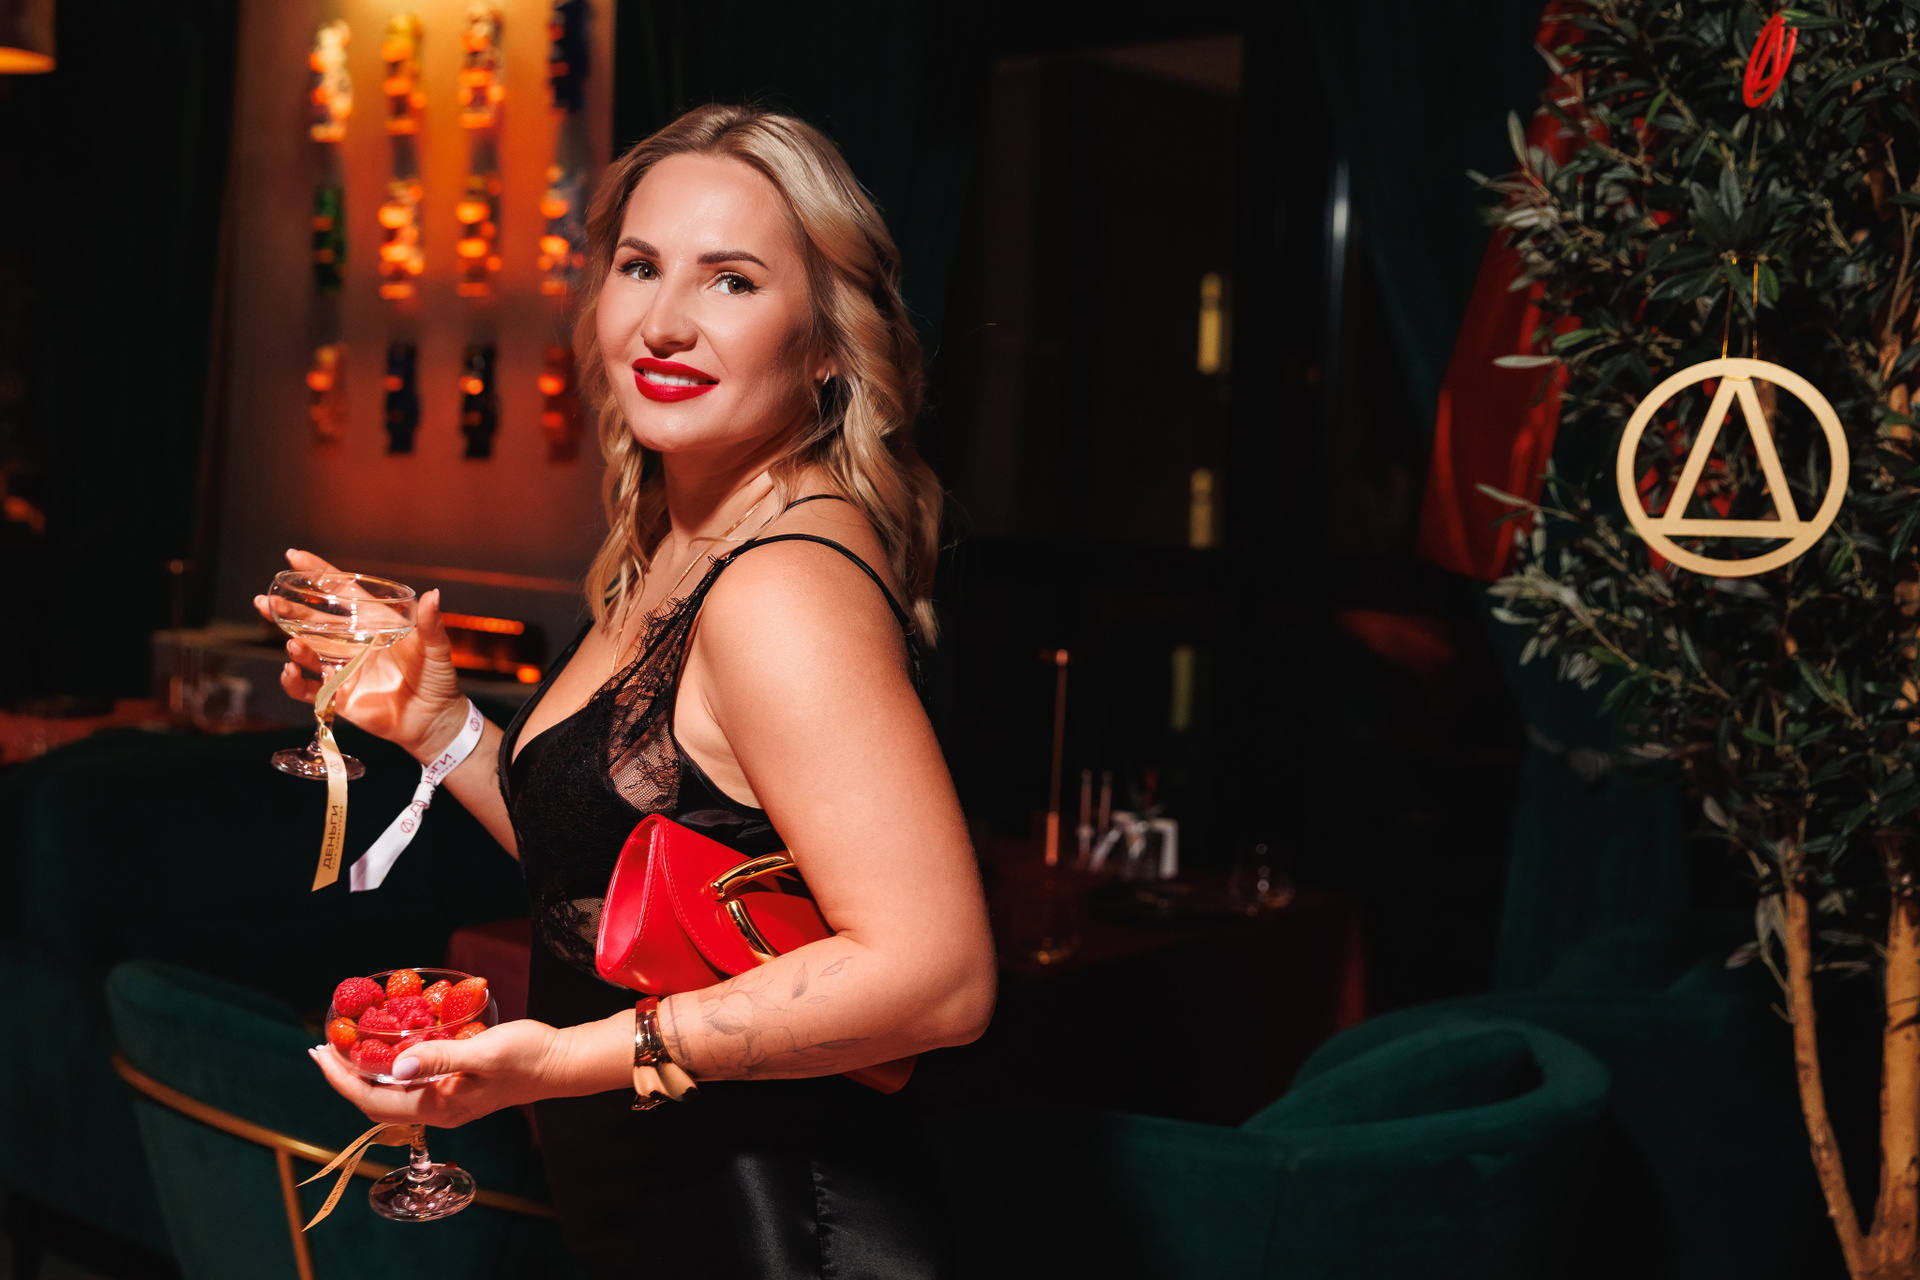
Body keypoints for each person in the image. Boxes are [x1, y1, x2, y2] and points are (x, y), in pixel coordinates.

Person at [260, 104, 996, 1279]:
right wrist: (440, 726)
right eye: (641, 266)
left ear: (825, 342)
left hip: (781, 1228)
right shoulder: (678, 539)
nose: (663, 321)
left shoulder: (781, 587)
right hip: (659, 1212)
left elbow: (938, 977)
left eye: (732, 280)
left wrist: (569, 1059)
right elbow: (622, 875)